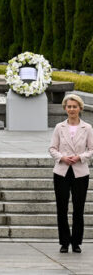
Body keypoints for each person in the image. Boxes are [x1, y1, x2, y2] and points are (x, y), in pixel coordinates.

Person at [49, 94, 93, 254]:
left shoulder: (87, 128)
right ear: (65, 108)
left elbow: (91, 149)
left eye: (75, 106)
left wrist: (80, 157)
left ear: (80, 108)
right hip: (61, 171)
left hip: (80, 172)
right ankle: (64, 242)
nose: (72, 109)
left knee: (78, 208)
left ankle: (76, 242)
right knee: (62, 208)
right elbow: (52, 148)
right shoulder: (59, 127)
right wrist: (62, 158)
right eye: (69, 106)